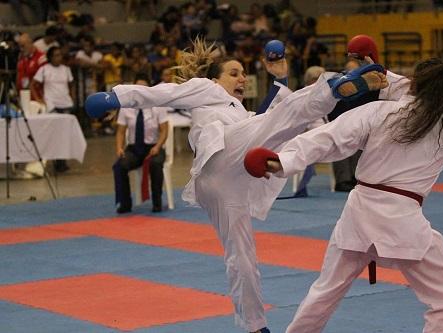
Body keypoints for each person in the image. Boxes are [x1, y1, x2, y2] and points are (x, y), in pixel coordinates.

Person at [85, 38, 389, 333]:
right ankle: (335, 86)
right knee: (285, 118)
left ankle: (255, 326)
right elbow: (166, 93)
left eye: (244, 73)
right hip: (219, 157)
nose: (242, 78)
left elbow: (267, 120)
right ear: (215, 79)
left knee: (242, 257)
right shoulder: (205, 89)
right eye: (233, 73)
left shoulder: (240, 112)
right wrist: (118, 97)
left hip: (228, 183)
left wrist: (280, 79)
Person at [257, 58, 443, 333]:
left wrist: (283, 160)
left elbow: (330, 137)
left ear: (415, 81)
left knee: (325, 291)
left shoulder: (379, 112)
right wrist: (384, 74)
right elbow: (414, 93)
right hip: (403, 222)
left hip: (359, 215)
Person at [329, 34, 410, 192]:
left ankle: (355, 178)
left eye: (358, 60)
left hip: (379, 132)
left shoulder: (393, 81)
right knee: (341, 142)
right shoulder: (343, 80)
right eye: (352, 60)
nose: (356, 65)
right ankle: (344, 180)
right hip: (350, 123)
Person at [113, 73, 169, 214]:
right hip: (134, 149)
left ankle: (157, 202)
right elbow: (120, 131)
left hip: (154, 147)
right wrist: (119, 148)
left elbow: (164, 130)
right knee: (119, 166)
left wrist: (157, 146)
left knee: (155, 164)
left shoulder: (158, 106)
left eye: (144, 87)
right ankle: (125, 203)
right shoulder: (126, 107)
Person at [31, 46, 75, 172]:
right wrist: (38, 99)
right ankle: (56, 161)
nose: (58, 58)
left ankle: (63, 161)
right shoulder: (44, 69)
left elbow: (71, 84)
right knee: (54, 134)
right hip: (52, 104)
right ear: (50, 57)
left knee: (64, 134)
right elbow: (33, 85)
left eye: (60, 55)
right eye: (55, 55)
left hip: (65, 103)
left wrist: (72, 97)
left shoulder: (66, 69)